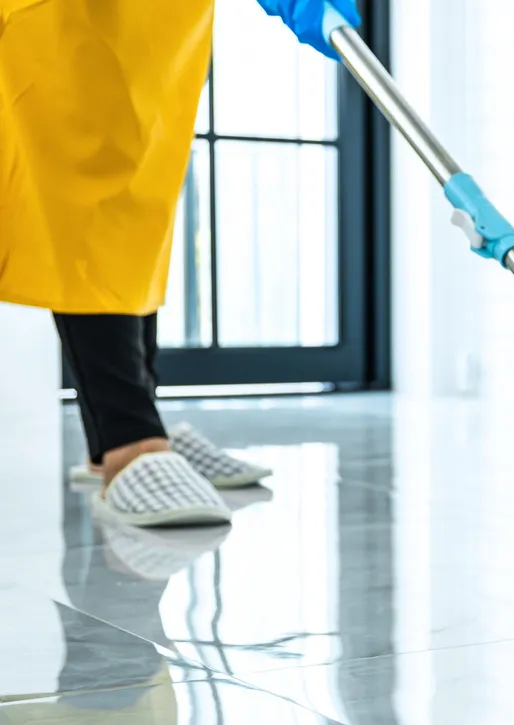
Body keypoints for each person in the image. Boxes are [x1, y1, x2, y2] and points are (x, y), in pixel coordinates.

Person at [0, 0, 360, 527]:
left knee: (139, 205)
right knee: (88, 192)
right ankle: (129, 438)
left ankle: (137, 423)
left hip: (159, 25)